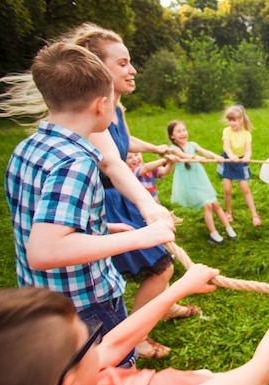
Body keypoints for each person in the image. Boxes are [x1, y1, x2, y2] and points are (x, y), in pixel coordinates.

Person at [3, 42, 175, 368]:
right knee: (112, 376)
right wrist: (143, 236)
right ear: (101, 104)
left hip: (43, 298)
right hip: (86, 302)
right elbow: (44, 252)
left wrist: (102, 229)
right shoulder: (76, 162)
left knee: (73, 378)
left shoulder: (28, 148)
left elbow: (37, 220)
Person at [55, 23, 199, 360]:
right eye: (122, 64)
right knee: (161, 266)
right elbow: (112, 164)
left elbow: (124, 144)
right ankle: (136, 335)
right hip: (106, 204)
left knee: (155, 267)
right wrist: (149, 207)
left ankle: (158, 308)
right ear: (95, 68)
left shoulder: (115, 109)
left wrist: (157, 148)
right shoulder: (95, 112)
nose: (132, 70)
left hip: (122, 200)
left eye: (129, 62)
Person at [0, 264, 269, 385]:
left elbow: (115, 345)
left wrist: (178, 288)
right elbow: (259, 372)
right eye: (86, 339)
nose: (96, 341)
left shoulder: (64, 384)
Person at [168, 120, 238, 243]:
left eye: (184, 130)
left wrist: (216, 157)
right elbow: (184, 156)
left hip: (200, 179)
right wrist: (196, 158)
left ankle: (229, 228)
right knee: (207, 205)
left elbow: (205, 152)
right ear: (172, 136)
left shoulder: (192, 145)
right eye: (179, 131)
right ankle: (213, 234)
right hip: (188, 183)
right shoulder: (172, 148)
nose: (183, 133)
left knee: (215, 204)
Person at [217, 105, 262, 227]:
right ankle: (228, 212)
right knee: (227, 189)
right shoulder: (226, 131)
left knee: (245, 189)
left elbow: (248, 149)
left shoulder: (247, 134)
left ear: (241, 119)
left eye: (234, 120)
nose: (231, 123)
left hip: (241, 162)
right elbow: (226, 146)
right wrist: (231, 156)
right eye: (230, 120)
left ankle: (254, 215)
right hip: (228, 160)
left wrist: (247, 156)